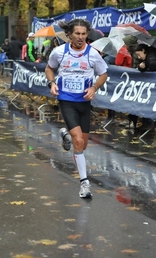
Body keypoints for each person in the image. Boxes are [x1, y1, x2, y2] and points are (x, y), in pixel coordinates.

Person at [45, 19, 108, 198]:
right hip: (66, 100)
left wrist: (94, 88)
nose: (80, 37)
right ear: (70, 35)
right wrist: (52, 83)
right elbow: (49, 68)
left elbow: (103, 74)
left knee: (82, 145)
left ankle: (65, 134)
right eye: (77, 34)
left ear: (87, 35)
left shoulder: (93, 54)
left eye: (83, 34)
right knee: (78, 141)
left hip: (84, 103)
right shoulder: (59, 52)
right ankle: (84, 184)